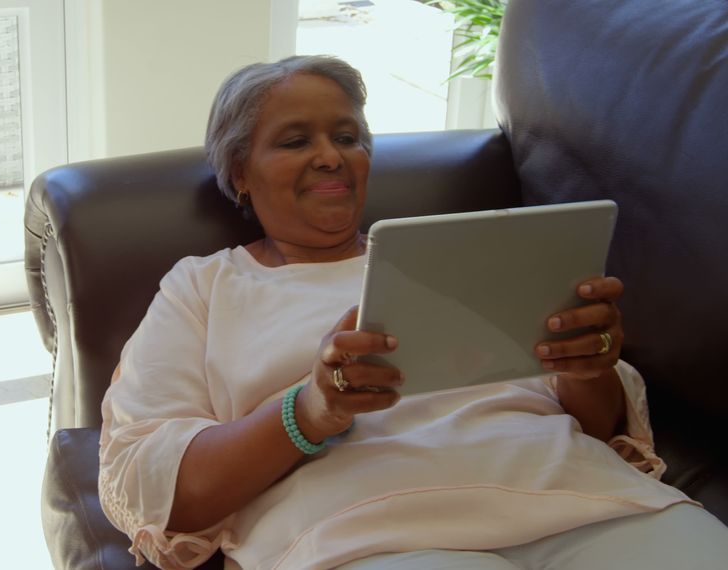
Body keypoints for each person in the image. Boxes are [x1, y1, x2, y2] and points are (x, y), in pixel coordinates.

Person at [97, 55, 728, 570]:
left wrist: (587, 368)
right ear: (239, 171)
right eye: (296, 140)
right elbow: (151, 481)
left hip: (587, 499)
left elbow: (600, 430)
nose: (331, 156)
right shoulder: (205, 287)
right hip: (364, 534)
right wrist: (309, 411)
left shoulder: (459, 254)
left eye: (347, 137)